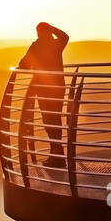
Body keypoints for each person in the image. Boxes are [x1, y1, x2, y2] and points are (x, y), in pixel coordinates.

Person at [19, 21, 70, 165]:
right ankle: (57, 155)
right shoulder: (56, 44)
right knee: (56, 119)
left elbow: (23, 65)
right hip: (58, 87)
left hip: (43, 89)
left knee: (49, 121)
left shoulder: (36, 46)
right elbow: (65, 36)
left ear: (39, 32)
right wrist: (52, 29)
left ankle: (57, 156)